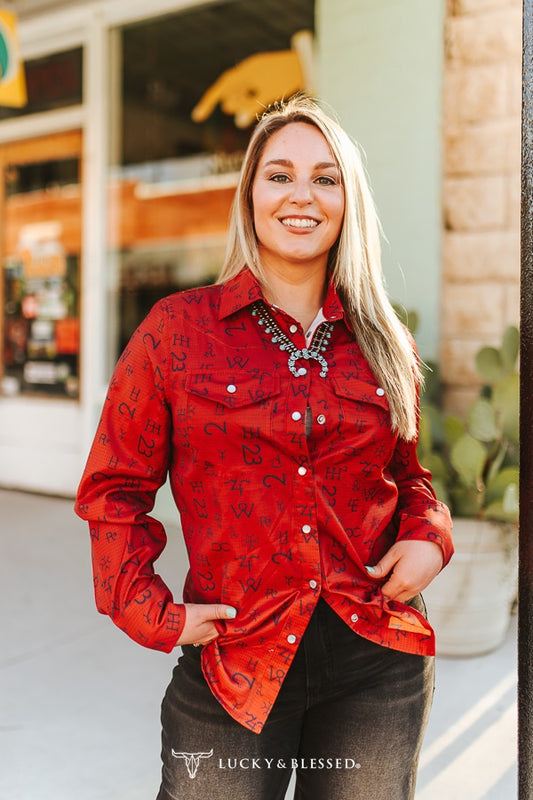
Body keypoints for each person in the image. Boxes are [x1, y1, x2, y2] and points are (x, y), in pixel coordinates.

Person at [75, 95, 453, 800]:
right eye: (278, 175)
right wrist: (148, 609)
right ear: (249, 196)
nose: (300, 195)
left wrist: (430, 533)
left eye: (324, 177)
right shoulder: (176, 333)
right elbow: (112, 489)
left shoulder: (384, 339)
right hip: (235, 663)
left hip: (377, 659)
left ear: (348, 201)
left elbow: (407, 473)